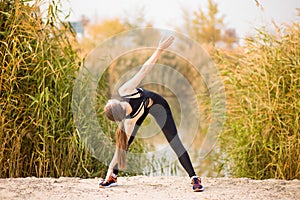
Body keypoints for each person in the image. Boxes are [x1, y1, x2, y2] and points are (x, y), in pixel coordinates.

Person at [99, 36, 204, 192]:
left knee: (174, 142)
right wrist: (108, 172)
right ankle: (112, 176)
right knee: (124, 144)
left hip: (158, 106)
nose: (111, 99)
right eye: (111, 102)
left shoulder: (125, 90)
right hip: (140, 112)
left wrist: (159, 49)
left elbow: (145, 69)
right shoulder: (129, 121)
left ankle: (194, 178)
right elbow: (119, 150)